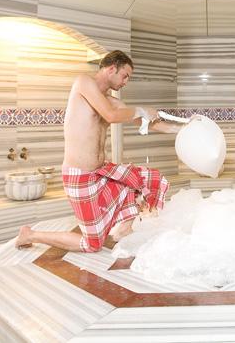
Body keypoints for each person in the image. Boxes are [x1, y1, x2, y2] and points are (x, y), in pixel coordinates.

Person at [15, 50, 182, 252]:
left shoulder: (111, 101)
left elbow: (145, 122)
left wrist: (182, 130)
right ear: (112, 69)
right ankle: (30, 234)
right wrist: (141, 109)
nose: (126, 82)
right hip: (79, 175)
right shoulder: (83, 83)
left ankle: (123, 230)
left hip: (102, 171)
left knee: (149, 179)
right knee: (92, 244)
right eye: (125, 76)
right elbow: (111, 115)